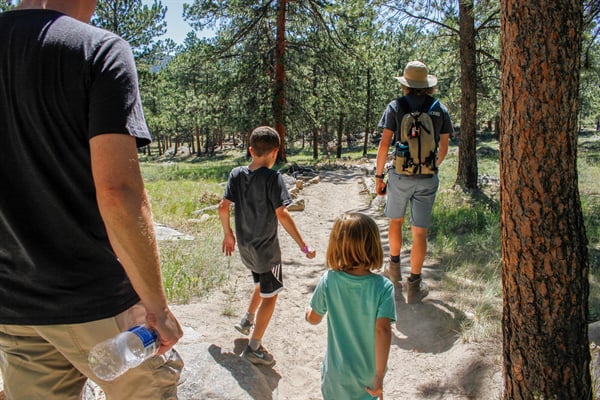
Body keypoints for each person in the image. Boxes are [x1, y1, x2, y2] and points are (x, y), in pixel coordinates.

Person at [0, 2, 183, 399]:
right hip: (99, 304)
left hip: (16, 308)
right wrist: (158, 308)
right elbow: (118, 194)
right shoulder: (96, 50)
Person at [218, 126, 316, 367]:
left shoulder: (236, 174)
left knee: (261, 283)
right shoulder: (274, 178)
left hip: (245, 246)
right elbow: (282, 215)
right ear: (276, 151)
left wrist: (227, 234)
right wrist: (304, 246)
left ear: (251, 150)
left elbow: (222, 206)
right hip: (267, 251)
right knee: (271, 296)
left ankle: (246, 319)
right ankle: (254, 347)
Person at [375, 60, 453, 304]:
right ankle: (415, 286)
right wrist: (431, 166)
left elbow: (384, 144)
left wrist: (379, 176)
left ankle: (394, 272)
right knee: (420, 232)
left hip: (400, 175)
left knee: (395, 222)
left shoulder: (395, 107)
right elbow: (444, 147)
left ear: (405, 85)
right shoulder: (439, 108)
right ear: (427, 85)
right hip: (427, 178)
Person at [306, 213, 396, 400]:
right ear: (374, 246)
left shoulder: (329, 280)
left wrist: (308, 313)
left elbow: (314, 319)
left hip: (336, 376)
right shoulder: (383, 287)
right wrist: (379, 375)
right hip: (368, 378)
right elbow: (383, 330)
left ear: (336, 246)